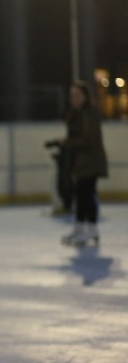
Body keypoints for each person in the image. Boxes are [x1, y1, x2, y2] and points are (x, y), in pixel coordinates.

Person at [58, 80, 108, 246]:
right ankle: (82, 229)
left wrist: (67, 143)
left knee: (86, 195)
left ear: (86, 96)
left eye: (77, 94)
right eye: (71, 95)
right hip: (81, 162)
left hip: (90, 162)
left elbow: (88, 140)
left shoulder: (89, 114)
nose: (74, 98)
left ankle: (90, 229)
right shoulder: (77, 114)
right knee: (81, 195)